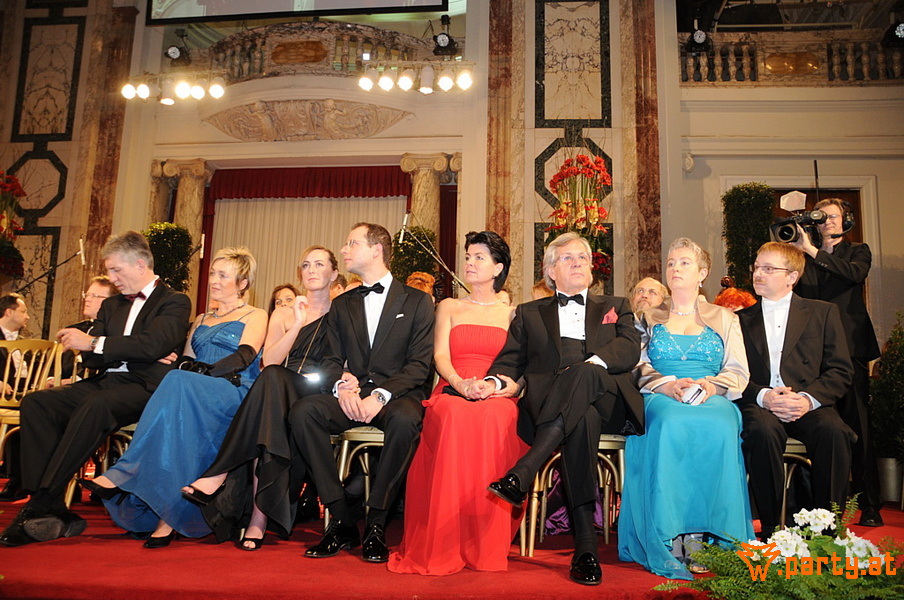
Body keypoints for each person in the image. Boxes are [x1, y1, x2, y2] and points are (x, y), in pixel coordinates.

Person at [0, 231, 192, 547]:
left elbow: (153, 344)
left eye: (117, 270)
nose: (112, 279)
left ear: (140, 264)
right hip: (105, 381)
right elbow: (95, 357)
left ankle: (40, 505)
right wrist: (125, 347)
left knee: (97, 405)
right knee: (37, 403)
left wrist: (98, 343)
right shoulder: (112, 305)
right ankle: (49, 503)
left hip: (147, 387)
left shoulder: (174, 301)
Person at [477, 231, 643, 586]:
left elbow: (630, 350)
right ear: (550, 271)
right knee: (580, 419)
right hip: (551, 404)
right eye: (567, 258)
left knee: (585, 375)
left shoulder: (616, 304)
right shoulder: (529, 313)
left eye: (583, 257)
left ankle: (525, 470)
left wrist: (591, 365)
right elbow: (509, 362)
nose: (578, 263)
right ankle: (586, 548)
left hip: (608, 397)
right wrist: (492, 383)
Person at [79, 247, 267, 548]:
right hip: (192, 390)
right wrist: (179, 366)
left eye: (223, 275)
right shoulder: (201, 318)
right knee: (177, 424)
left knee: (177, 380)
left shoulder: (255, 314)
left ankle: (125, 471)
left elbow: (244, 356)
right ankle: (167, 517)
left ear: (243, 283)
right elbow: (185, 360)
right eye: (213, 274)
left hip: (233, 389)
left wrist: (202, 373)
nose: (214, 281)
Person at [290, 223, 434, 564]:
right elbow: (330, 360)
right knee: (303, 412)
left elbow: (419, 366)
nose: (344, 250)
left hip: (396, 396)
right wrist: (341, 386)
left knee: (406, 421)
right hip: (353, 396)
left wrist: (380, 395)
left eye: (352, 243)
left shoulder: (417, 301)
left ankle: (376, 523)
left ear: (376, 250)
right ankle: (340, 517)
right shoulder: (342, 304)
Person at [388, 231, 527, 575]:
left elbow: (522, 365)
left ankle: (485, 541)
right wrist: (460, 383)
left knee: (499, 416)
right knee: (452, 413)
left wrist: (507, 388)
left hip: (495, 391)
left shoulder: (513, 314)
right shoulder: (448, 306)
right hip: (453, 386)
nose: (470, 263)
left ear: (498, 268)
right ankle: (444, 538)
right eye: (468, 256)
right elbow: (439, 356)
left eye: (479, 257)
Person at [183, 246, 338, 550]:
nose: (311, 270)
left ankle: (220, 474)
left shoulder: (343, 313)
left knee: (269, 387)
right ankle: (258, 518)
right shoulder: (283, 313)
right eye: (306, 264)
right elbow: (272, 360)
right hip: (280, 388)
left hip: (319, 392)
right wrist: (297, 323)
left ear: (334, 274)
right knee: (270, 394)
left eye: (320, 264)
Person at [619, 237, 753, 580]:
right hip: (661, 395)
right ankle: (671, 533)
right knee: (669, 423)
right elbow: (636, 366)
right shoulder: (647, 317)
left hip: (711, 395)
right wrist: (666, 385)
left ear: (702, 273)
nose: (675, 268)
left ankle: (700, 535)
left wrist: (712, 386)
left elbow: (738, 370)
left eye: (684, 263)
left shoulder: (725, 317)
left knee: (721, 423)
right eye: (670, 263)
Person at [738, 242, 855, 538]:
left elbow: (840, 370)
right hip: (762, 404)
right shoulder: (739, 320)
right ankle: (772, 528)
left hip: (808, 403)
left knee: (834, 432)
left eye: (768, 268)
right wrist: (763, 396)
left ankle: (827, 530)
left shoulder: (823, 312)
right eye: (756, 267)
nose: (758, 274)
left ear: (792, 276)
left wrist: (807, 399)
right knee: (762, 432)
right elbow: (732, 374)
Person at [791, 198, 883, 527]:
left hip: (851, 350)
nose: (827, 222)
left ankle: (870, 505)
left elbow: (853, 274)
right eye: (821, 217)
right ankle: (816, 506)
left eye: (833, 216)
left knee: (859, 427)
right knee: (820, 428)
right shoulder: (803, 257)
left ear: (847, 220)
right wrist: (801, 250)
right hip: (813, 354)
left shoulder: (858, 251)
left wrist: (813, 251)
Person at [0, 293, 31, 502]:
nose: (27, 316)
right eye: (23, 311)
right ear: (9, 312)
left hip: (21, 395)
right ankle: (16, 479)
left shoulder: (24, 343)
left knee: (40, 408)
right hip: (3, 396)